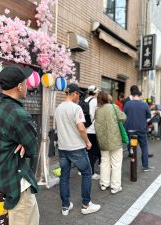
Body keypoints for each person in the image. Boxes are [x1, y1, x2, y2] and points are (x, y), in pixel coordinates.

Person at [0, 65, 39, 225]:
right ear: (19, 86)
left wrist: (21, 141)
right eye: (25, 83)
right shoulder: (20, 115)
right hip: (14, 182)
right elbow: (32, 149)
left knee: (0, 220)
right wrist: (22, 142)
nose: (28, 86)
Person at [54, 83, 101, 216]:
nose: (79, 97)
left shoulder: (58, 108)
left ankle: (65, 206)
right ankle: (86, 205)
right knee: (87, 173)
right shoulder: (76, 108)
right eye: (78, 94)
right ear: (74, 94)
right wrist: (87, 141)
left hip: (63, 148)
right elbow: (81, 127)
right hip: (76, 148)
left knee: (64, 176)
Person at [95, 91, 126, 194]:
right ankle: (115, 187)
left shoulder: (97, 110)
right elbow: (123, 118)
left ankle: (104, 184)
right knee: (116, 164)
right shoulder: (113, 107)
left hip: (103, 142)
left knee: (104, 162)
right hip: (115, 141)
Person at [123, 89, 154, 172]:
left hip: (130, 130)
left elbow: (123, 116)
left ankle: (132, 162)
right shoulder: (144, 104)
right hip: (141, 130)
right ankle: (145, 166)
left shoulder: (127, 104)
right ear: (140, 96)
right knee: (144, 147)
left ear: (132, 96)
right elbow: (148, 116)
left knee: (132, 146)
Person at [85, 85, 101, 180]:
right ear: (95, 92)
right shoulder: (95, 101)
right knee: (93, 152)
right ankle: (91, 172)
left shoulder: (85, 100)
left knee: (86, 151)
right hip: (93, 130)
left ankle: (82, 170)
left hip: (85, 130)